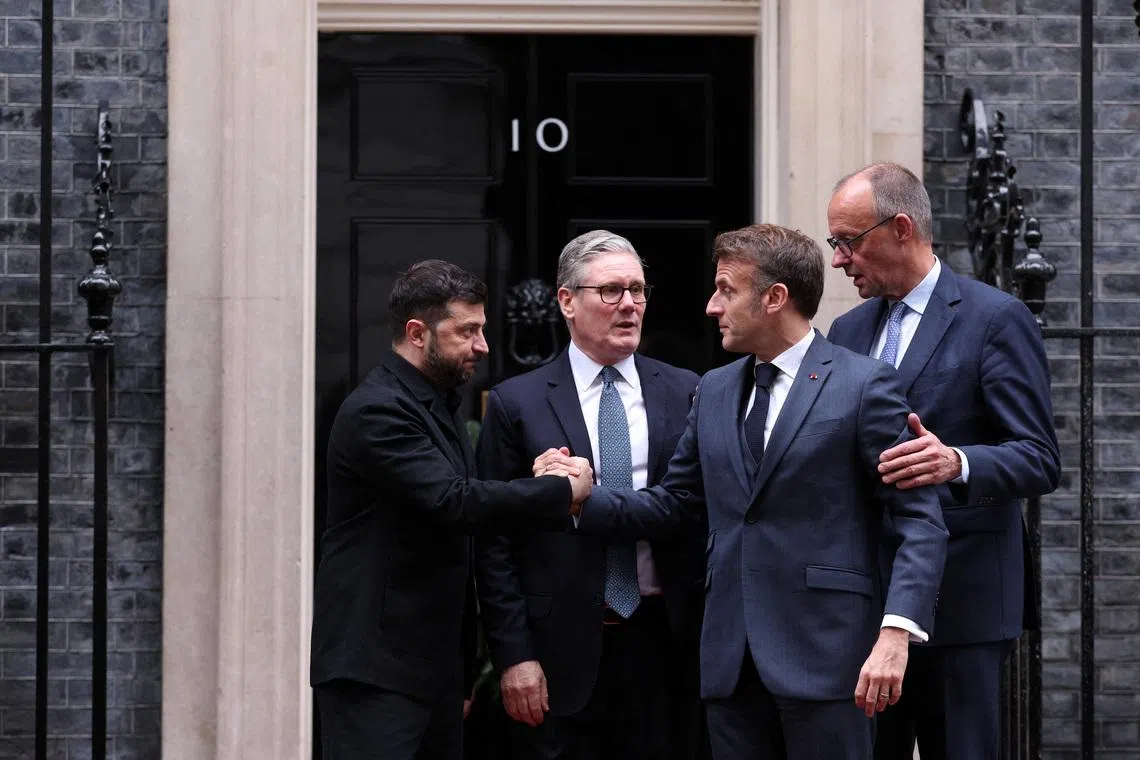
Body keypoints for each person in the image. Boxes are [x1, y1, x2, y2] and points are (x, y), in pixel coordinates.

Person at [540, 224, 949, 760]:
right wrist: (578, 497)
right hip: (731, 665)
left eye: (726, 290)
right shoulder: (712, 389)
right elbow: (676, 503)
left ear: (774, 298)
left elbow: (919, 521)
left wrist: (896, 635)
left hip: (831, 660)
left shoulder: (864, 385)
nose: (712, 306)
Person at [310, 260, 592, 760]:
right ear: (417, 333)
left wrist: (537, 476)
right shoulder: (379, 409)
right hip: (376, 672)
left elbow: (464, 493)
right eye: (467, 331)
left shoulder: (436, 402)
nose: (482, 345)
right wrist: (557, 491)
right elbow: (453, 502)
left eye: (481, 329)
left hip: (430, 669)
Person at [825, 162, 1061, 760]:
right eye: (835, 243)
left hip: (964, 600)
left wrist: (956, 460)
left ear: (901, 227)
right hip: (867, 602)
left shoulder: (994, 318)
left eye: (848, 242)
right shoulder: (847, 330)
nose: (838, 260)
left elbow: (1038, 458)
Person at [475, 231, 706, 760]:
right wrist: (513, 656)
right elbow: (494, 543)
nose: (628, 304)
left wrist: (583, 498)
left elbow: (693, 509)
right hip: (560, 651)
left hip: (666, 644)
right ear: (567, 301)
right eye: (610, 291)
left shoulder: (688, 389)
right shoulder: (518, 403)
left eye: (637, 290)